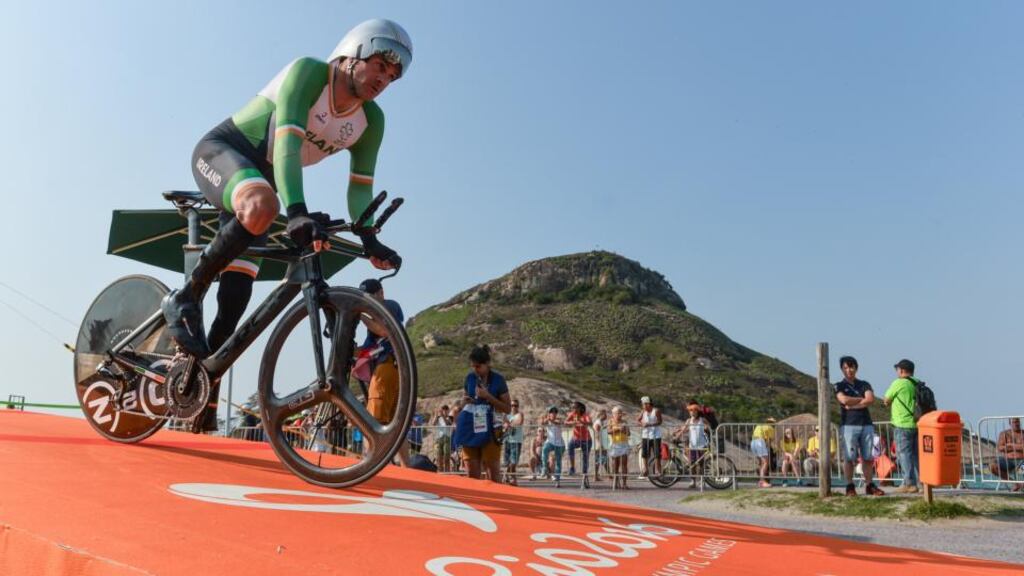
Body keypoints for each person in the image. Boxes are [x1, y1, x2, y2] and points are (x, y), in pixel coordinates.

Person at [163, 19, 411, 433]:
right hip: (226, 152)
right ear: (351, 56)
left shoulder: (372, 121)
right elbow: (288, 147)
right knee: (265, 204)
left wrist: (369, 238)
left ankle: (203, 388)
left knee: (237, 297)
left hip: (268, 178)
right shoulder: (310, 73)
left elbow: (360, 188)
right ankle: (185, 296)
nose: (384, 79)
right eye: (379, 66)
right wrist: (296, 210)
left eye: (393, 75)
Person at [357, 278, 410, 465]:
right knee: (397, 425)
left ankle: (370, 464)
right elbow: (366, 349)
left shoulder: (388, 306)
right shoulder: (375, 315)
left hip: (387, 367)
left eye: (370, 297)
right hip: (395, 369)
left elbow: (384, 331)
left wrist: (359, 315)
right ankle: (407, 470)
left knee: (372, 421)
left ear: (381, 293)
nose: (367, 302)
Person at [453, 345, 512, 481]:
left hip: (491, 431)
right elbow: (465, 398)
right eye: (473, 366)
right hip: (471, 429)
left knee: (493, 476)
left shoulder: (498, 380)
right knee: (472, 475)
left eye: (478, 366)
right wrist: (464, 402)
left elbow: (507, 408)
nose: (475, 370)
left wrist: (488, 396)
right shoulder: (469, 378)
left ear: (487, 364)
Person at [834, 356, 884, 496]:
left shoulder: (864, 384)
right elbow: (843, 399)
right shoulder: (839, 385)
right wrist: (861, 400)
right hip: (848, 425)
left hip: (866, 424)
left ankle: (869, 485)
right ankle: (850, 486)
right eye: (845, 368)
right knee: (849, 458)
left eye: (851, 367)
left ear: (856, 368)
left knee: (868, 457)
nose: (848, 370)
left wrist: (853, 405)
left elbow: (870, 399)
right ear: (842, 369)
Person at [884, 359, 920, 493]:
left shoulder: (899, 383)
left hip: (902, 424)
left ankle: (909, 483)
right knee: (916, 455)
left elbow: (886, 399)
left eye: (897, 369)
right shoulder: (917, 383)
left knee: (903, 454)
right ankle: (922, 483)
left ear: (902, 370)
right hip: (916, 424)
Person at [677, 400, 711, 489]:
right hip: (692, 445)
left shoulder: (702, 420)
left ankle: (701, 480)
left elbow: (709, 427)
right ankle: (693, 481)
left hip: (701, 444)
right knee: (692, 463)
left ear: (697, 411)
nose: (692, 412)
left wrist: (707, 428)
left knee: (701, 463)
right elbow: (684, 429)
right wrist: (677, 436)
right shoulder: (689, 421)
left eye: (694, 411)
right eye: (690, 411)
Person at [565, 401, 594, 488]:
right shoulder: (572, 414)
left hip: (586, 440)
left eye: (575, 408)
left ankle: (584, 479)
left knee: (585, 459)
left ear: (580, 408)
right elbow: (565, 422)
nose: (573, 409)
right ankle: (572, 467)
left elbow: (590, 423)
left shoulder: (585, 415)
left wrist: (581, 421)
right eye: (572, 408)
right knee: (570, 446)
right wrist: (572, 423)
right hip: (576, 438)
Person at [991, 418, 1024, 490]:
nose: (1016, 424)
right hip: (1008, 461)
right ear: (1010, 423)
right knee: (993, 466)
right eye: (1014, 422)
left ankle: (1021, 484)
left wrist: (1011, 445)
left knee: (1021, 471)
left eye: (1017, 422)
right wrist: (1020, 447)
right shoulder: (1004, 434)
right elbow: (1000, 448)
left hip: (1022, 461)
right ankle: (1015, 483)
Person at [636, 396, 663, 479]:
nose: (642, 406)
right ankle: (645, 470)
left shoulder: (656, 411)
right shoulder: (643, 411)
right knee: (645, 454)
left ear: (647, 404)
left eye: (643, 404)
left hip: (655, 435)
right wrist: (642, 424)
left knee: (657, 454)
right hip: (646, 435)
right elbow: (637, 420)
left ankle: (658, 470)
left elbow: (660, 421)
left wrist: (650, 424)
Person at [540, 406, 566, 487]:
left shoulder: (559, 420)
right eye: (551, 412)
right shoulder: (548, 421)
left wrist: (550, 420)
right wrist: (545, 419)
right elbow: (542, 423)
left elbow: (558, 423)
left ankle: (557, 480)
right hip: (550, 442)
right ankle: (544, 468)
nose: (553, 413)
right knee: (544, 450)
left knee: (558, 462)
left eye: (555, 412)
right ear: (549, 413)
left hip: (560, 444)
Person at [608, 406, 631, 490]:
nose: (620, 414)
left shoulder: (625, 421)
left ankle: (624, 483)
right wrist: (617, 429)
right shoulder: (610, 421)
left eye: (620, 413)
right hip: (614, 444)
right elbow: (608, 431)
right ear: (613, 414)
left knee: (624, 464)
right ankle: (616, 482)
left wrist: (624, 430)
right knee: (615, 464)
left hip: (623, 443)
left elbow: (629, 433)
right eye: (618, 413)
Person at [502, 400, 525, 485]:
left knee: (513, 461)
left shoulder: (519, 414)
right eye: (512, 405)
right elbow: (504, 425)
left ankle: (511, 477)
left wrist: (508, 424)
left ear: (518, 406)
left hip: (516, 441)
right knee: (508, 461)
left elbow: (519, 422)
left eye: (515, 405)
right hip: (508, 440)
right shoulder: (507, 415)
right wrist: (508, 424)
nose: (513, 407)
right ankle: (509, 477)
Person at [752, 417, 776, 488]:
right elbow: (769, 441)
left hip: (753, 442)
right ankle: (762, 481)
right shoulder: (770, 428)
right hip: (760, 442)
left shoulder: (759, 425)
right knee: (765, 462)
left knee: (761, 463)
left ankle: (761, 481)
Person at [432, 405, 453, 473]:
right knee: (438, 457)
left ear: (448, 410)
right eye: (443, 409)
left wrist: (443, 416)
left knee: (446, 457)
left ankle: (447, 472)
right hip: (438, 439)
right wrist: (436, 414)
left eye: (446, 409)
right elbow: (433, 424)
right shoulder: (438, 418)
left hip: (447, 439)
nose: (444, 411)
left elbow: (447, 424)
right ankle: (440, 471)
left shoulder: (450, 417)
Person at [592, 408, 610, 482]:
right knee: (600, 460)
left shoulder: (600, 422)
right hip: (599, 445)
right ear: (601, 415)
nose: (606, 415)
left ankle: (608, 474)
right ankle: (597, 476)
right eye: (605, 414)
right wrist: (600, 444)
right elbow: (596, 434)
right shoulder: (598, 422)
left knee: (603, 460)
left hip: (601, 444)